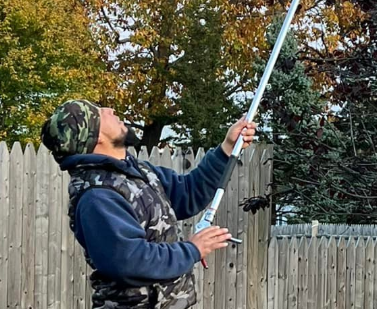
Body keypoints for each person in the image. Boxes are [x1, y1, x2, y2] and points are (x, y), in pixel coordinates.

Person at [40, 100, 257, 309]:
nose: (109, 110)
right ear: (95, 137)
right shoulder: (97, 197)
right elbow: (131, 261)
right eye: (98, 113)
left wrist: (227, 147)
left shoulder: (137, 172)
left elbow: (188, 193)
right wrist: (192, 249)